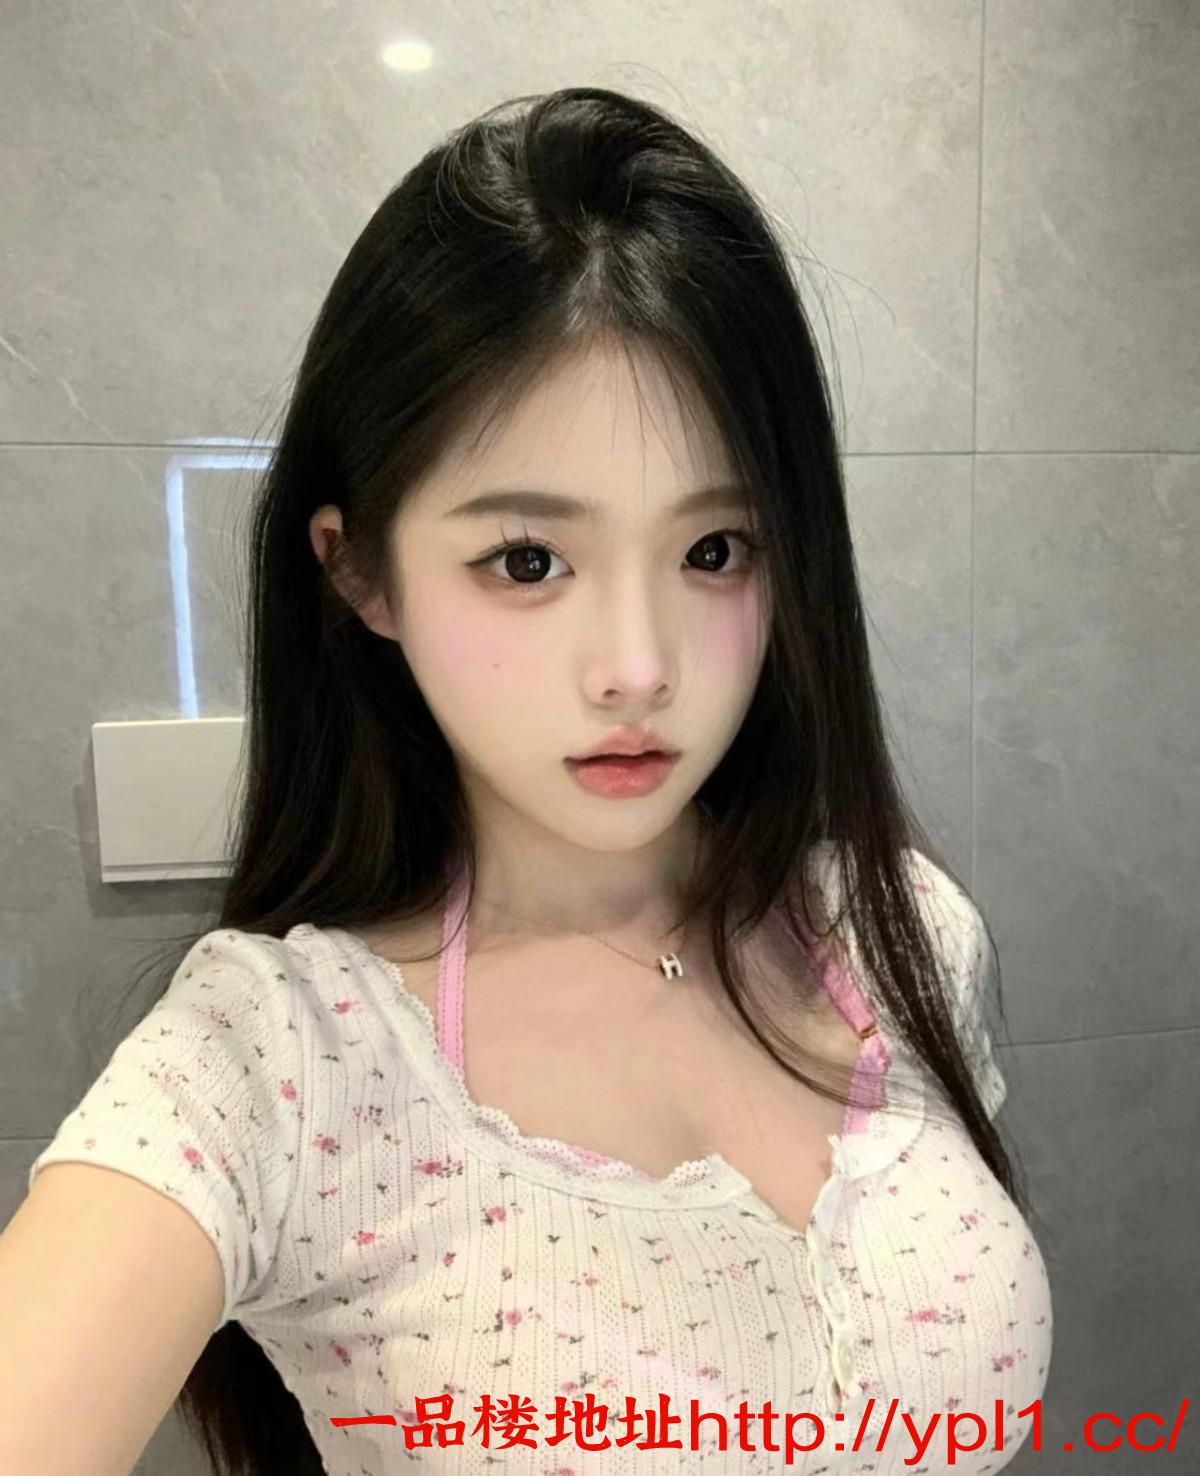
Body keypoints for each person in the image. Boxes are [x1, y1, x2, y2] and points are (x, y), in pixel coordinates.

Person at [0, 86, 1051, 1475]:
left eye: (716, 550)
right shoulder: (280, 1067)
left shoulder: (893, 929)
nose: (637, 668)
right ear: (362, 574)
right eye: (528, 560)